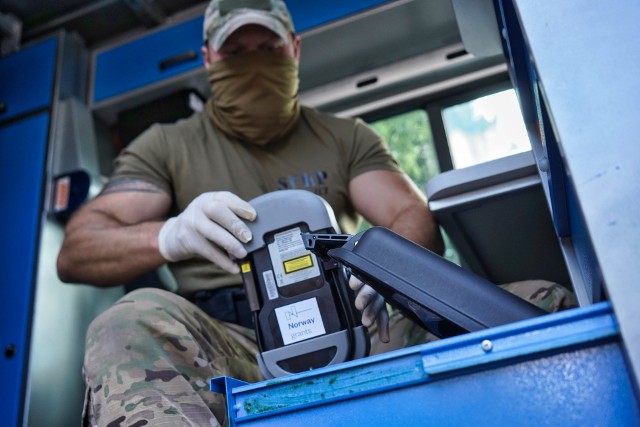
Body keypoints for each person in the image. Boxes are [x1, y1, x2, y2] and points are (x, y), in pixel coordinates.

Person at [57, 0, 446, 425]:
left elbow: (410, 210)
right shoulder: (166, 146)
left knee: (514, 301)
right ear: (209, 59)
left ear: (295, 49)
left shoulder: (345, 137)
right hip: (226, 341)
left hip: (355, 326)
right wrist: (170, 235)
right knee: (126, 322)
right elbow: (78, 250)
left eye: (268, 48)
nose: (254, 65)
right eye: (236, 54)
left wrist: (385, 269)